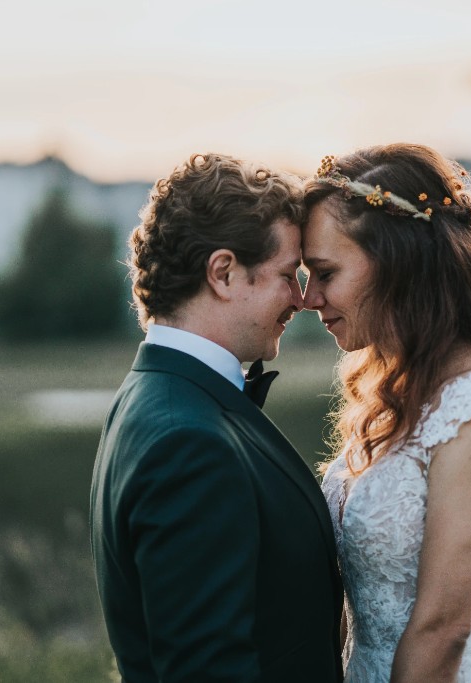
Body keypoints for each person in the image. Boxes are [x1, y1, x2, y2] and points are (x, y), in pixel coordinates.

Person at [301, 144, 471, 682]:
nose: (309, 297)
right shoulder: (397, 392)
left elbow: (443, 627)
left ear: (397, 263)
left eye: (325, 272)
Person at [90, 153, 343, 683]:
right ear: (224, 272)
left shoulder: (153, 395)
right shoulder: (187, 443)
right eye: (286, 275)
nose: (301, 299)